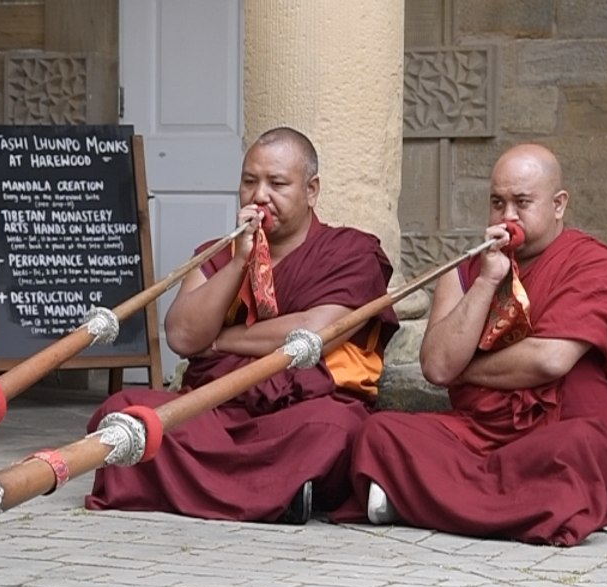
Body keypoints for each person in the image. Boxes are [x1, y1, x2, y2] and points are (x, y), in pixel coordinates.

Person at [332, 143, 607, 546]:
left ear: (558, 205)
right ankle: (515, 508)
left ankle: (425, 500)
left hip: (556, 437)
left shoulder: (592, 264)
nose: (508, 216)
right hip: (479, 438)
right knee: (379, 434)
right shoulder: (467, 272)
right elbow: (437, 368)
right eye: (497, 203)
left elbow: (551, 359)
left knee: (581, 450)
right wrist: (488, 281)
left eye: (522, 202)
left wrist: (468, 368)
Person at [84, 127, 399, 524]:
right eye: (249, 182)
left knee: (336, 429)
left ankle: (208, 488)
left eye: (277, 183)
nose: (260, 195)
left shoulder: (352, 251)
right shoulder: (220, 253)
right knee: (126, 413)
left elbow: (316, 330)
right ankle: (278, 494)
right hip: (215, 409)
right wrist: (238, 263)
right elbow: (182, 335)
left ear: (312, 190)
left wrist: (222, 341)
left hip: (299, 410)